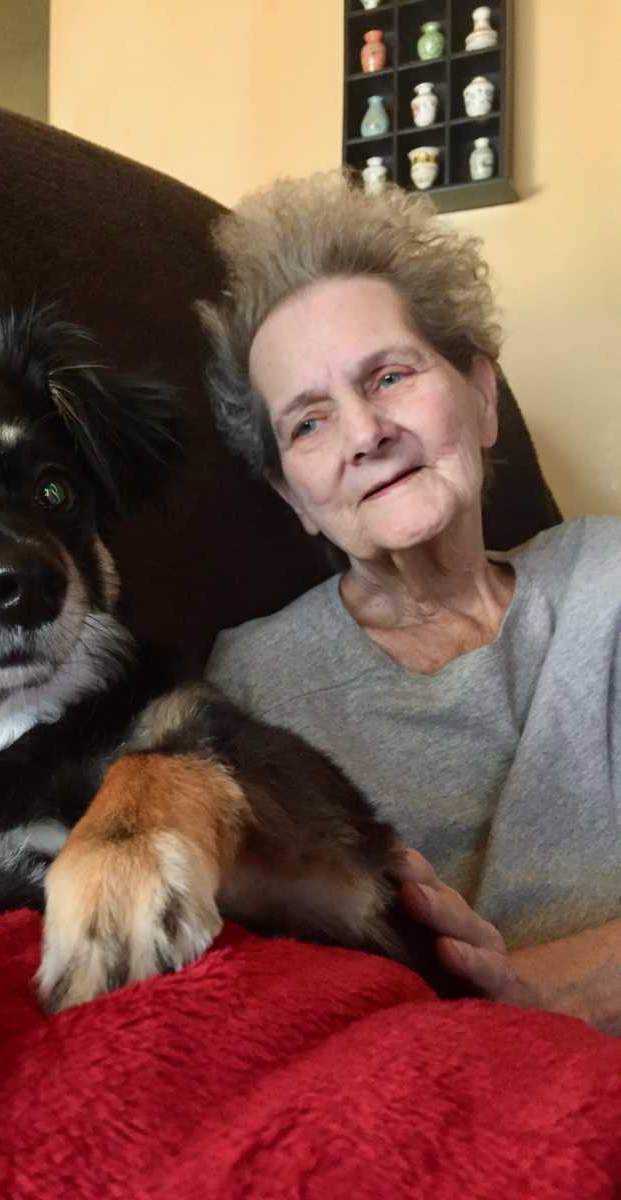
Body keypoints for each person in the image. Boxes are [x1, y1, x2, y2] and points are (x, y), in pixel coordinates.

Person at [197, 171, 621, 1034]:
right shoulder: (255, 682)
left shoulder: (606, 573)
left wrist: (556, 983)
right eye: (308, 422)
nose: (364, 433)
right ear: (294, 496)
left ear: (484, 395)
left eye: (390, 376)